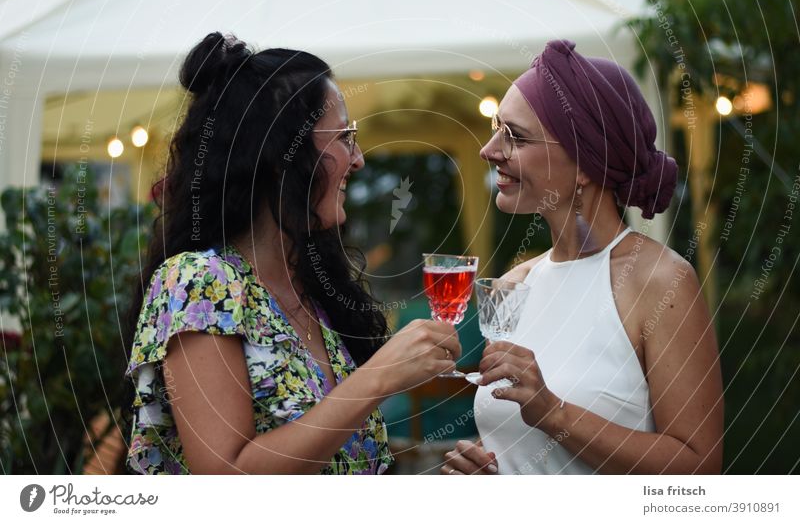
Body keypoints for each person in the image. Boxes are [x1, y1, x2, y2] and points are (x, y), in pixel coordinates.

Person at [124, 32, 461, 475]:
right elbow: (226, 477)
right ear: (284, 156)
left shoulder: (316, 292)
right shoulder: (197, 281)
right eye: (344, 136)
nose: (358, 159)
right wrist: (379, 376)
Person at [442, 39, 724, 475]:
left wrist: (555, 413)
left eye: (514, 136)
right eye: (497, 129)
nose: (490, 149)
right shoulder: (515, 282)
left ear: (586, 165)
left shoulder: (661, 281)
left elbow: (699, 467)